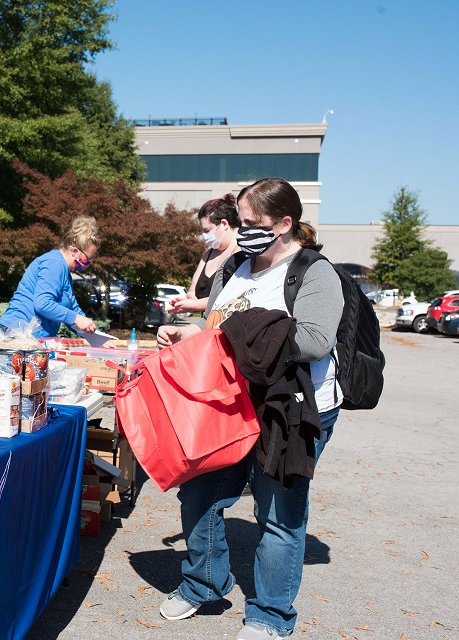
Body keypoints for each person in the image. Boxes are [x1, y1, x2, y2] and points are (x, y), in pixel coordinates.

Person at [155, 178, 344, 640]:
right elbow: (215, 321)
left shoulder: (314, 272)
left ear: (284, 223)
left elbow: (316, 340)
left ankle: (270, 615)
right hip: (228, 405)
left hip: (290, 409)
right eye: (239, 222)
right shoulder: (235, 265)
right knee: (199, 494)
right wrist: (191, 333)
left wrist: (238, 334)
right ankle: (203, 583)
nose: (242, 232)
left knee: (278, 515)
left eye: (253, 224)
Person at [0, 217, 99, 338]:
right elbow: (43, 304)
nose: (88, 263)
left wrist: (96, 337)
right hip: (17, 333)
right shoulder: (54, 263)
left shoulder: (64, 272)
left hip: (32, 336)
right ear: (74, 251)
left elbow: (72, 308)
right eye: (88, 258)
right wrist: (76, 318)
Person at [169, 194, 241, 315]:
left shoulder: (241, 252)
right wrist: (187, 300)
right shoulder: (208, 254)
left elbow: (232, 297)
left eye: (207, 231)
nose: (205, 236)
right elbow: (192, 290)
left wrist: (195, 305)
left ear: (224, 224)